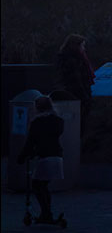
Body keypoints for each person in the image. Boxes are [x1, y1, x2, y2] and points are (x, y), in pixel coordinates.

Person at [18, 95, 65, 223]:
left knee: (37, 185)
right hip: (57, 156)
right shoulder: (58, 120)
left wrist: (22, 157)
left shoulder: (37, 123)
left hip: (45, 157)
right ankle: (47, 212)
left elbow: (30, 143)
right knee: (43, 185)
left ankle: (46, 213)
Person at [56, 34, 95, 135]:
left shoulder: (70, 58)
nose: (84, 48)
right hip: (77, 97)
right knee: (78, 126)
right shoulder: (73, 60)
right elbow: (76, 80)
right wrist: (85, 97)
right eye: (82, 46)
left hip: (75, 96)